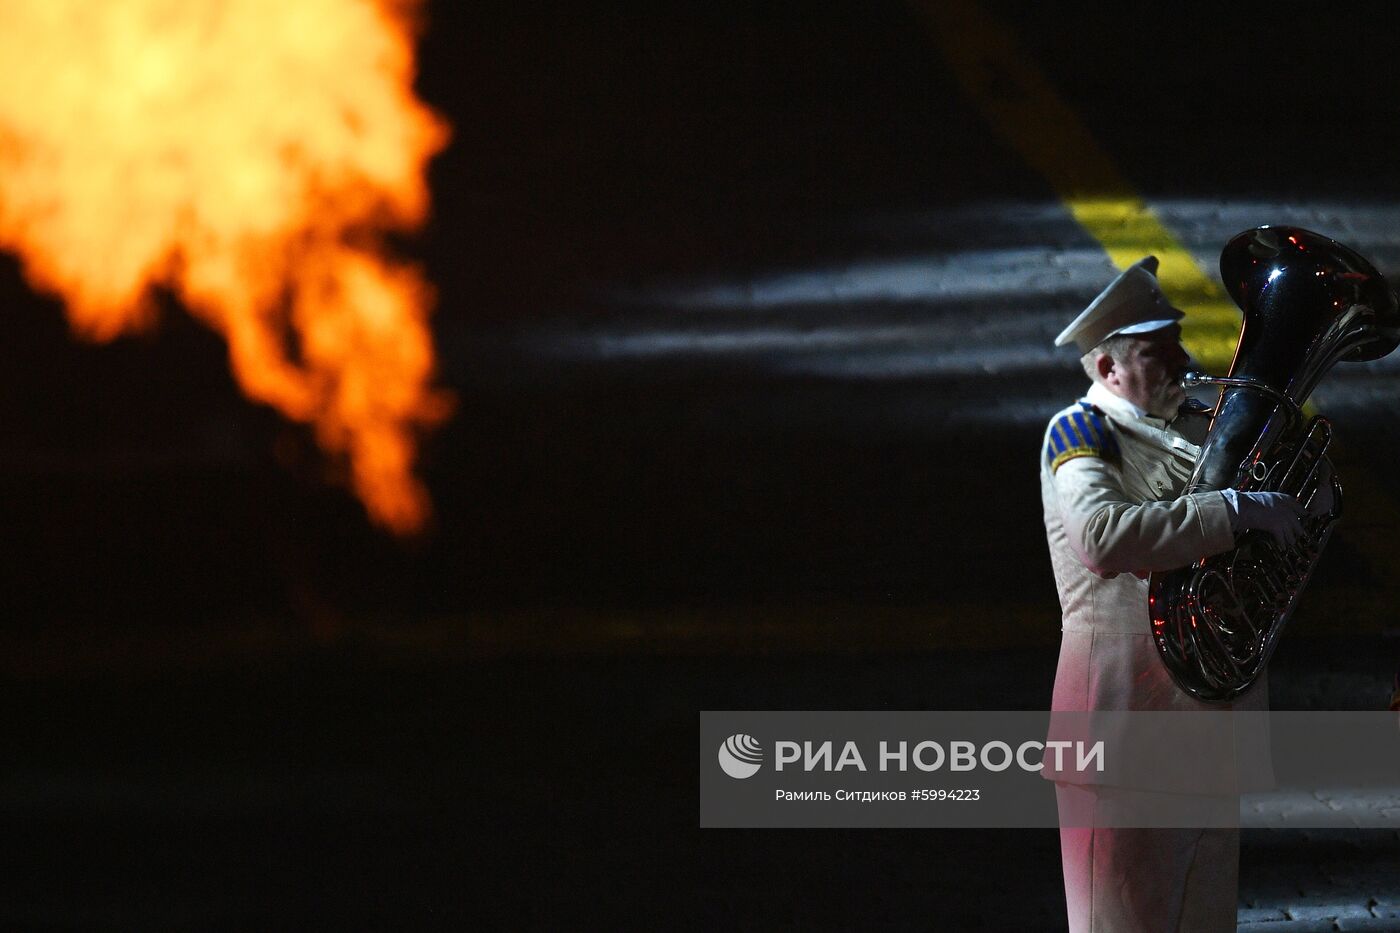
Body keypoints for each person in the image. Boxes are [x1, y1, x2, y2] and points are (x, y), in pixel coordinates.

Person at [1039, 256, 1305, 933]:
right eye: (1161, 352)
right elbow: (1101, 537)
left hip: (1211, 733)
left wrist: (1303, 499)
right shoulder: (1081, 432)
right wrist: (1235, 510)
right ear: (1108, 370)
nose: (1186, 361)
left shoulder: (1193, 425)